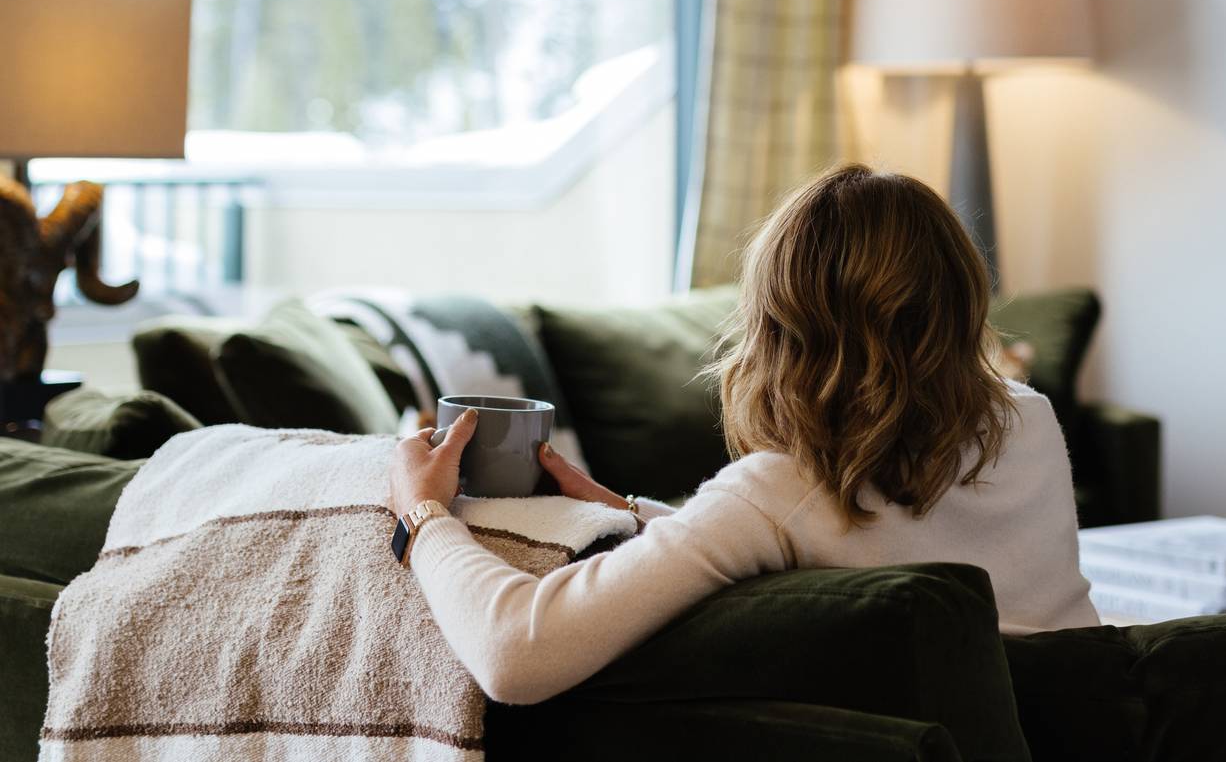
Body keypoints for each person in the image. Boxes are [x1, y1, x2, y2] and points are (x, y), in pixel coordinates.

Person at [389, 164, 1096, 705]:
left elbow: (516, 654)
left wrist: (422, 517)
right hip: (1074, 731)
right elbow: (849, 562)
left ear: (778, 325)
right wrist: (631, 511)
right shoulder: (1027, 417)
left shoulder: (782, 489)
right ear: (959, 294)